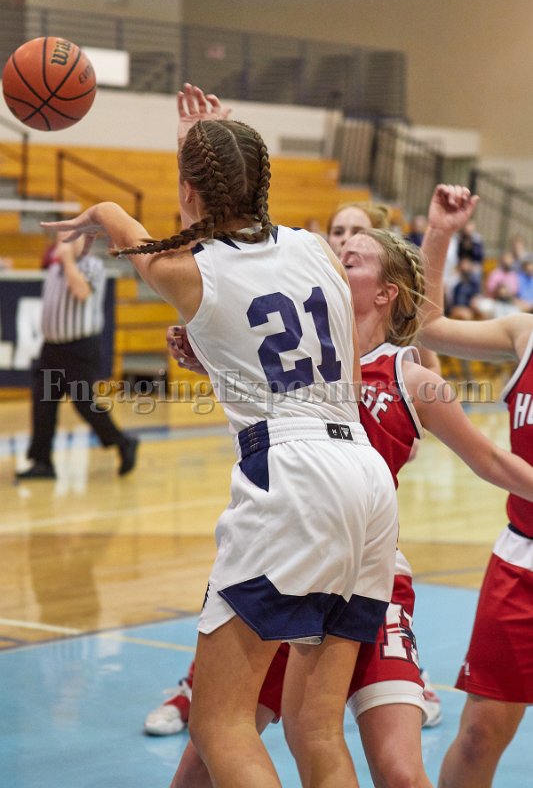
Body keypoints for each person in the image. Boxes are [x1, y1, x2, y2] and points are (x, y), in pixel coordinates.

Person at [42, 83, 399, 788]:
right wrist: (207, 151)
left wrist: (102, 208)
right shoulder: (315, 248)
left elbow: (134, 228)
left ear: (189, 192)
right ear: (262, 183)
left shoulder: (189, 274)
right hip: (363, 473)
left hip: (292, 479)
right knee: (315, 728)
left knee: (220, 723)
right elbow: (322, 358)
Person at [158, 186, 533, 788]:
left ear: (384, 290)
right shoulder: (292, 350)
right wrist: (206, 354)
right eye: (335, 242)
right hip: (291, 557)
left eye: (352, 251)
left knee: (396, 770)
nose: (336, 255)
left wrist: (438, 234)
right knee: (206, 757)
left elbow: (489, 458)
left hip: (369, 575)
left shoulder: (410, 373)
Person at [418, 185, 533, 788]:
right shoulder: (524, 332)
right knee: (480, 733)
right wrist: (441, 234)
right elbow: (428, 326)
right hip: (522, 561)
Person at [15, 231, 138, 480]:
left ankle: (123, 442)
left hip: (79, 349)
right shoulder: (54, 268)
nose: (65, 243)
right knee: (42, 405)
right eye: (62, 238)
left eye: (71, 238)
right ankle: (42, 462)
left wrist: (68, 260)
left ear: (85, 241)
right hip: (51, 349)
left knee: (84, 404)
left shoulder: (93, 266)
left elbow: (81, 292)